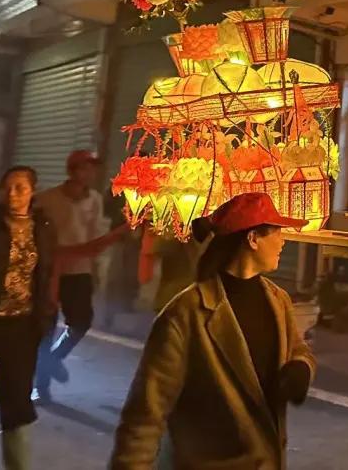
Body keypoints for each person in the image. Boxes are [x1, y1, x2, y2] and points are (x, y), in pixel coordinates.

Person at [110, 192, 315, 469]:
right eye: (276, 232)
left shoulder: (278, 301)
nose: (283, 241)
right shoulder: (186, 313)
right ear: (253, 239)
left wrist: (301, 367)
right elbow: (146, 412)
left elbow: (299, 349)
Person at [0, 167, 56, 469]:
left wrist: (46, 313)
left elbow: (46, 272)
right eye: (8, 187)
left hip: (20, 325)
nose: (12, 194)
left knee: (17, 404)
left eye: (20, 187)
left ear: (33, 190)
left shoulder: (43, 227)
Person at [33, 149, 107, 401]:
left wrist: (95, 269)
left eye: (92, 168)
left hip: (79, 271)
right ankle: (41, 387)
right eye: (85, 167)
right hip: (49, 272)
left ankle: (53, 359)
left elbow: (95, 235)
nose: (90, 173)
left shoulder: (95, 200)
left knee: (81, 322)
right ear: (72, 170)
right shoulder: (47, 199)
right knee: (46, 328)